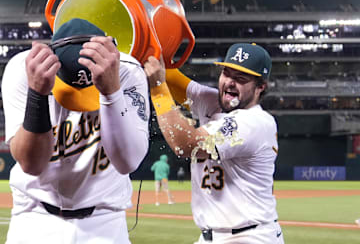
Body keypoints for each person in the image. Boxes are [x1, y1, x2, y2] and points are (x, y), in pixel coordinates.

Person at [2, 18, 150, 244]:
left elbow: (128, 161)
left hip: (105, 221)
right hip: (34, 218)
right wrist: (37, 94)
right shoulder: (24, 68)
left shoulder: (127, 70)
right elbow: (31, 164)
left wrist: (111, 92)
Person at [144, 43, 284, 243]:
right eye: (226, 73)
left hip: (249, 236)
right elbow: (174, 81)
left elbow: (186, 145)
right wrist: (149, 51)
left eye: (240, 79)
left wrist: (158, 89)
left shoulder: (255, 123)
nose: (230, 82)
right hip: (210, 236)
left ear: (260, 87)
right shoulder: (213, 101)